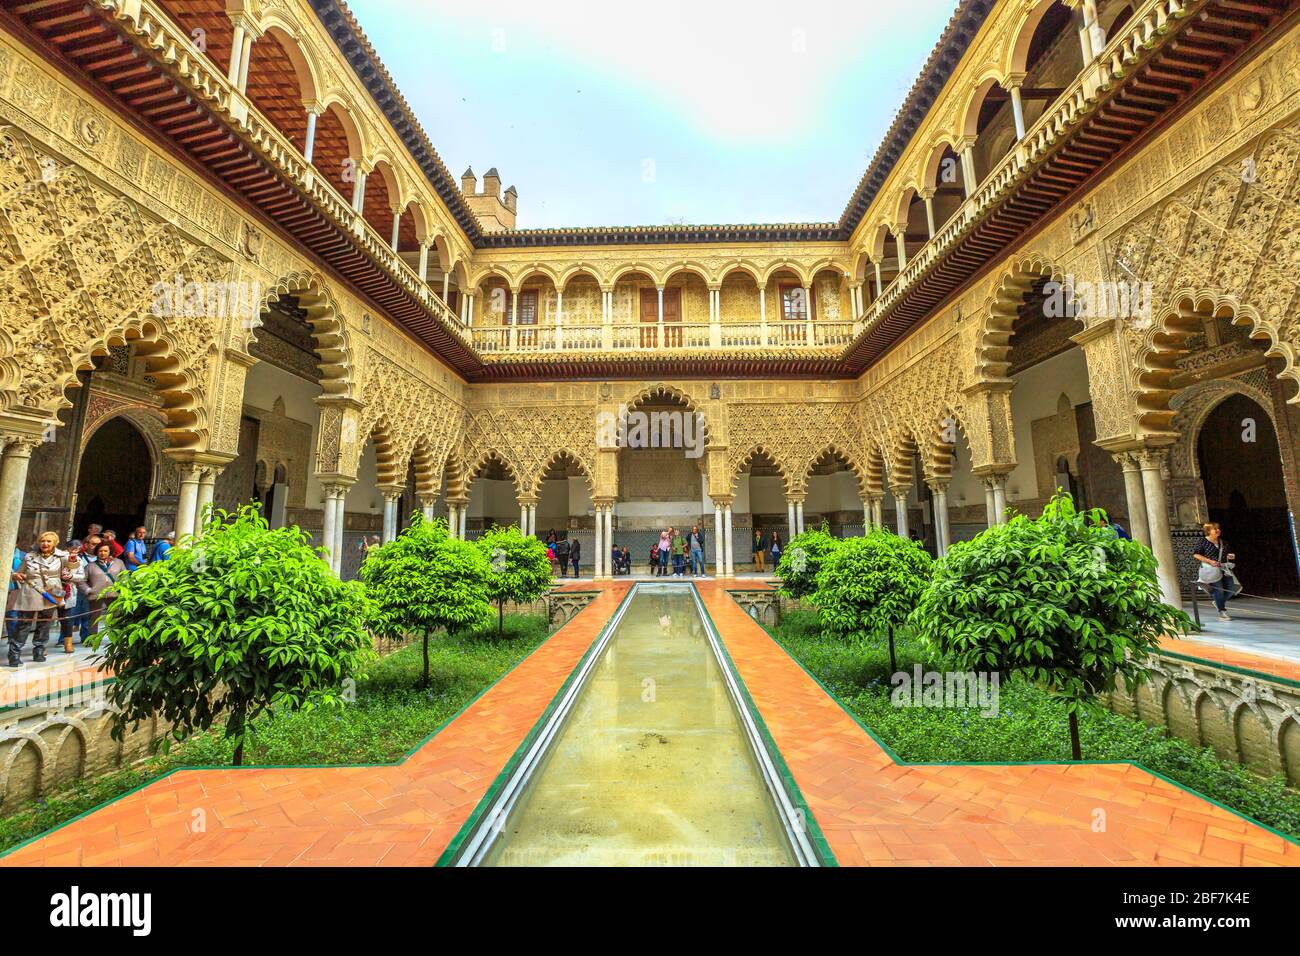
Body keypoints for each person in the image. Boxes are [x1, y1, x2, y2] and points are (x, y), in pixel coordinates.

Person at [10, 531, 66, 666]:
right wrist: (17, 576)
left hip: (51, 593)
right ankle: (14, 653)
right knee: (24, 624)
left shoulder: (62, 556)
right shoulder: (29, 556)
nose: (45, 544)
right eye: (42, 541)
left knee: (45, 624)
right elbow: (18, 573)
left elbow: (73, 570)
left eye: (48, 541)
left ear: (55, 543)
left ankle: (39, 650)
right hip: (31, 592)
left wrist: (69, 574)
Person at [1194, 522, 1241, 622]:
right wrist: (1210, 561)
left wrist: (1230, 556)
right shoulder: (1203, 542)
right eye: (1214, 529)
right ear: (1208, 531)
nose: (1217, 530)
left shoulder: (1223, 542)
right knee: (1218, 590)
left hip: (1224, 568)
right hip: (1211, 570)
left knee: (1233, 588)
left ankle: (1219, 602)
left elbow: (1229, 553)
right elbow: (1196, 555)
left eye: (1218, 528)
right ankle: (1222, 612)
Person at [85, 541, 126, 637]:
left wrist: (122, 588)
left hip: (114, 593)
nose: (102, 553)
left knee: (116, 615)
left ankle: (117, 636)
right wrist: (88, 590)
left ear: (110, 551)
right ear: (97, 552)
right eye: (100, 551)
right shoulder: (90, 565)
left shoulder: (119, 563)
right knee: (94, 617)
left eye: (105, 551)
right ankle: (92, 638)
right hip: (96, 594)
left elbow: (125, 576)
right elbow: (82, 581)